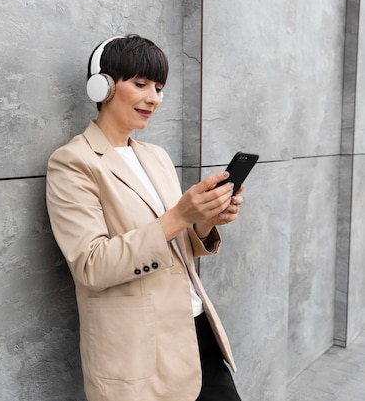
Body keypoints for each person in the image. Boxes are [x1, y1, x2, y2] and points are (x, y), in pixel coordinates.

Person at [45, 34, 243, 401]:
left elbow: (177, 243)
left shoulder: (157, 156)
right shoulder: (74, 163)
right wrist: (179, 214)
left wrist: (204, 220)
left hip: (197, 329)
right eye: (140, 84)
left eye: (159, 87)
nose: (153, 98)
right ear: (102, 85)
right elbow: (92, 265)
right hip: (139, 351)